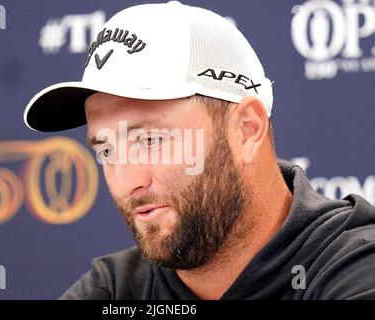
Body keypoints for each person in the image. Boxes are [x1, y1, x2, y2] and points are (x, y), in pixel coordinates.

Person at [24, 1, 375, 299]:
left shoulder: (354, 270)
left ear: (246, 130)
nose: (126, 182)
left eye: (150, 140)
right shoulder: (114, 290)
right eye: (107, 150)